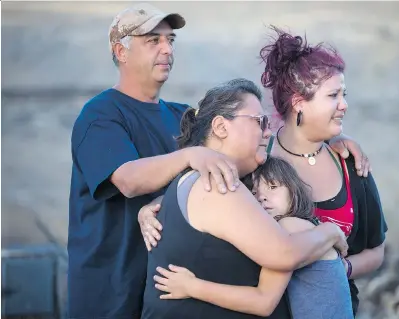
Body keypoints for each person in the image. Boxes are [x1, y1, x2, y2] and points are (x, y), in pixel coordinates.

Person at [67, 2, 372, 318]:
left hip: (165, 281)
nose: (167, 49)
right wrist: (190, 156)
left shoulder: (179, 116)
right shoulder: (100, 116)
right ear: (121, 51)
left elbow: (248, 153)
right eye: (152, 40)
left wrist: (325, 141)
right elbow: (128, 180)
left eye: (170, 40)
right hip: (112, 290)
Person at [141, 78, 352, 318]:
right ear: (221, 127)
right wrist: (330, 232)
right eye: (260, 122)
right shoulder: (219, 184)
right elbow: (283, 254)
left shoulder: (200, 181)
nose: (268, 131)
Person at [258, 26, 388, 316]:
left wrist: (343, 267)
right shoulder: (258, 161)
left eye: (344, 94)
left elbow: (377, 251)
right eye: (333, 95)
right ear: (298, 102)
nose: (344, 105)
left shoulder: (351, 165)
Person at [153, 156, 354, 318]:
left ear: (294, 191)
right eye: (255, 192)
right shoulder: (309, 228)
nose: (262, 197)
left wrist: (191, 287)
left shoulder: (289, 226)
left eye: (273, 187)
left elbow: (263, 302)